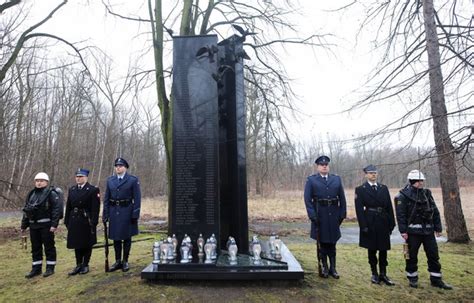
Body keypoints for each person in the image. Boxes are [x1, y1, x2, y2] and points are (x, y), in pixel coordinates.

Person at [394, 169, 452, 289]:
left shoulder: (427, 194)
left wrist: (438, 227)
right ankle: (412, 278)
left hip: (428, 231)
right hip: (412, 233)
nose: (421, 183)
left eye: (421, 180)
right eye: (418, 181)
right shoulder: (402, 196)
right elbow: (401, 215)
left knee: (433, 255)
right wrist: (403, 231)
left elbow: (435, 211)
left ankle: (436, 279)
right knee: (411, 256)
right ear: (412, 181)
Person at [304, 155, 346, 279]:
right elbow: (307, 200)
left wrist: (342, 214)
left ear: (328, 166)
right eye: (322, 165)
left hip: (333, 214)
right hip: (319, 214)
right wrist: (312, 215)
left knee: (332, 242)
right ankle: (324, 267)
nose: (324, 166)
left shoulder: (336, 179)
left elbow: (342, 198)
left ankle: (333, 268)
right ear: (318, 167)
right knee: (322, 243)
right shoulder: (311, 180)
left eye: (326, 165)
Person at [355, 164, 396, 285]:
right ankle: (374, 274)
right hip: (370, 221)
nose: (373, 174)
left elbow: (389, 206)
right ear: (366, 174)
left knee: (383, 249)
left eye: (375, 173)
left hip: (383, 221)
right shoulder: (361, 189)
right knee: (372, 249)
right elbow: (359, 210)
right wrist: (363, 226)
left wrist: (391, 223)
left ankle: (383, 274)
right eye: (371, 172)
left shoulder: (384, 188)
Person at [21, 172, 63, 278]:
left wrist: (54, 224)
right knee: (35, 248)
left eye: (41, 181)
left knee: (49, 247)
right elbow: (27, 210)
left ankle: (50, 268)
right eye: (37, 181)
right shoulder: (31, 194)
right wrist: (24, 225)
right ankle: (36, 268)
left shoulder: (51, 194)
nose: (39, 183)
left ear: (46, 182)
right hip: (33, 226)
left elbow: (56, 210)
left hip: (46, 226)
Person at [102, 157, 141, 272]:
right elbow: (106, 199)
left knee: (126, 237)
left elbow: (137, 198)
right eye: (116, 166)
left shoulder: (132, 180)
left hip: (127, 211)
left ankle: (125, 261)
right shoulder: (110, 180)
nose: (118, 168)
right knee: (116, 238)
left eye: (120, 166)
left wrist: (135, 214)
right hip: (114, 211)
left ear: (125, 167)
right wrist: (105, 213)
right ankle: (118, 260)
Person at [64, 168, 100, 275]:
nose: (78, 179)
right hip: (74, 219)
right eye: (77, 177)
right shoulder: (72, 189)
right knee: (77, 243)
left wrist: (94, 222)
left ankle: (85, 264)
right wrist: (67, 221)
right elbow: (68, 206)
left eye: (81, 177)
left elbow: (95, 208)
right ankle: (78, 264)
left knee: (86, 243)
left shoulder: (93, 190)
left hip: (86, 220)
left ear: (86, 177)